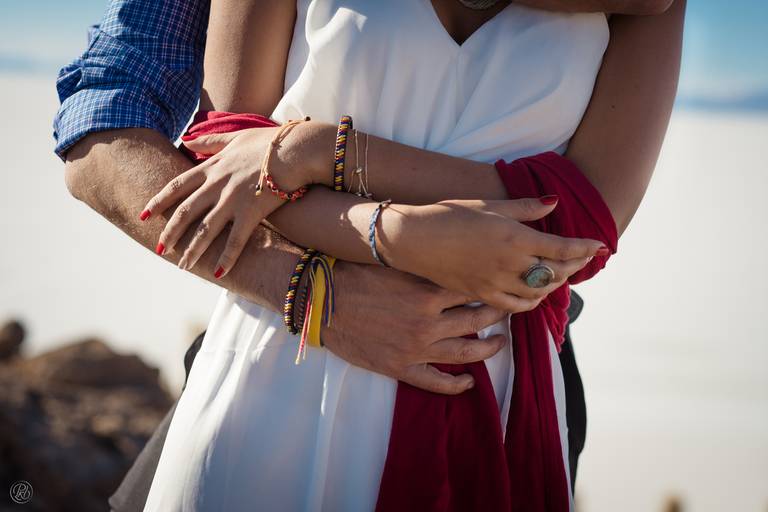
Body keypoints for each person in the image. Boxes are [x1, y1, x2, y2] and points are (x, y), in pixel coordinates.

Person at [54, 0, 683, 510]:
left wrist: (317, 152)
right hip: (282, 361)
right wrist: (377, 244)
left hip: (502, 379)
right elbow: (218, 155)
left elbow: (581, 222)